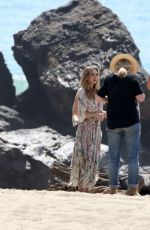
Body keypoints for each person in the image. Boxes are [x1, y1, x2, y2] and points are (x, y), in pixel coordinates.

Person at [97, 53, 145, 195]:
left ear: (116, 67)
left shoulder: (109, 79)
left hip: (113, 123)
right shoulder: (132, 79)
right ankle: (132, 188)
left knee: (114, 157)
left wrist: (109, 100)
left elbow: (98, 97)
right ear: (130, 67)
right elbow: (141, 98)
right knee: (132, 157)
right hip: (131, 122)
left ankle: (113, 188)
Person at [69, 66, 106, 192]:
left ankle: (87, 188)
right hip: (84, 131)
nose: (95, 77)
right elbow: (76, 114)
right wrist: (94, 115)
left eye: (97, 74)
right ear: (86, 77)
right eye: (92, 74)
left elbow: (99, 111)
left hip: (95, 131)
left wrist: (102, 114)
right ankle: (81, 189)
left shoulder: (99, 92)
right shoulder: (81, 92)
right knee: (83, 159)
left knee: (93, 159)